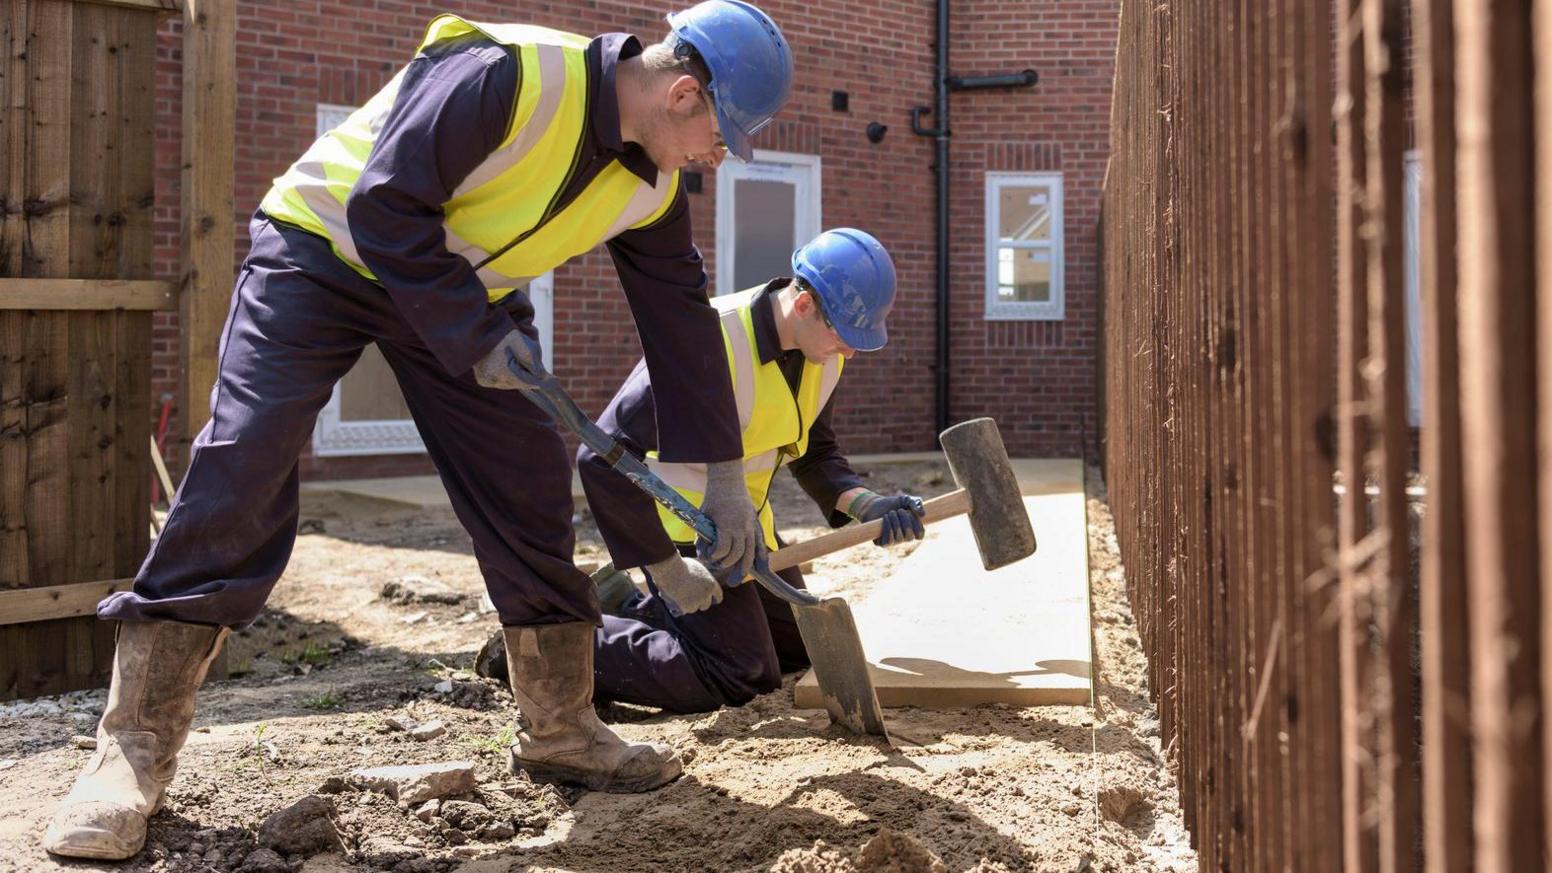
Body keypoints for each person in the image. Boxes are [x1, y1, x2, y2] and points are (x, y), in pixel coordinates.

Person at [45, 1, 794, 860]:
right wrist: (475, 338)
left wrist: (726, 475)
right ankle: (130, 753)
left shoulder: (652, 184)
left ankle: (560, 726)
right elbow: (385, 206)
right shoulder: (505, 73)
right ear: (684, 93)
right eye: (725, 138)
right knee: (243, 462)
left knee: (530, 488)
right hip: (324, 251)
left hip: (462, 290)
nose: (720, 159)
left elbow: (680, 321)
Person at [577, 229, 927, 713]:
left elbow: (814, 453)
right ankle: (562, 641)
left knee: (800, 649)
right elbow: (600, 455)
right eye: (844, 335)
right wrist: (668, 570)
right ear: (803, 303)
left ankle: (630, 609)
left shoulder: (821, 355)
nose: (849, 352)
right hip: (684, 536)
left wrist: (866, 505)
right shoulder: (707, 339)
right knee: (738, 673)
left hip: (749, 532)